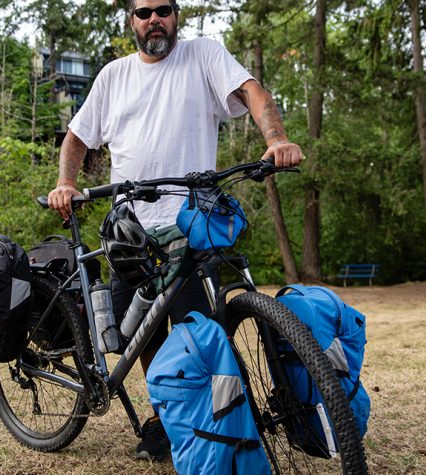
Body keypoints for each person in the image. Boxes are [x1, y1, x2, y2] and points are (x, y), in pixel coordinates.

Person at [47, 0, 303, 462]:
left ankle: (201, 421)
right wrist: (67, 182)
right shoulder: (113, 76)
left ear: (175, 15)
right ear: (132, 20)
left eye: (162, 9)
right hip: (130, 232)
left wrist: (276, 139)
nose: (153, 20)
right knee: (139, 335)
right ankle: (163, 417)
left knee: (197, 329)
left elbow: (252, 91)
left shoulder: (203, 55)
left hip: (191, 224)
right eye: (143, 12)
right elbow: (77, 136)